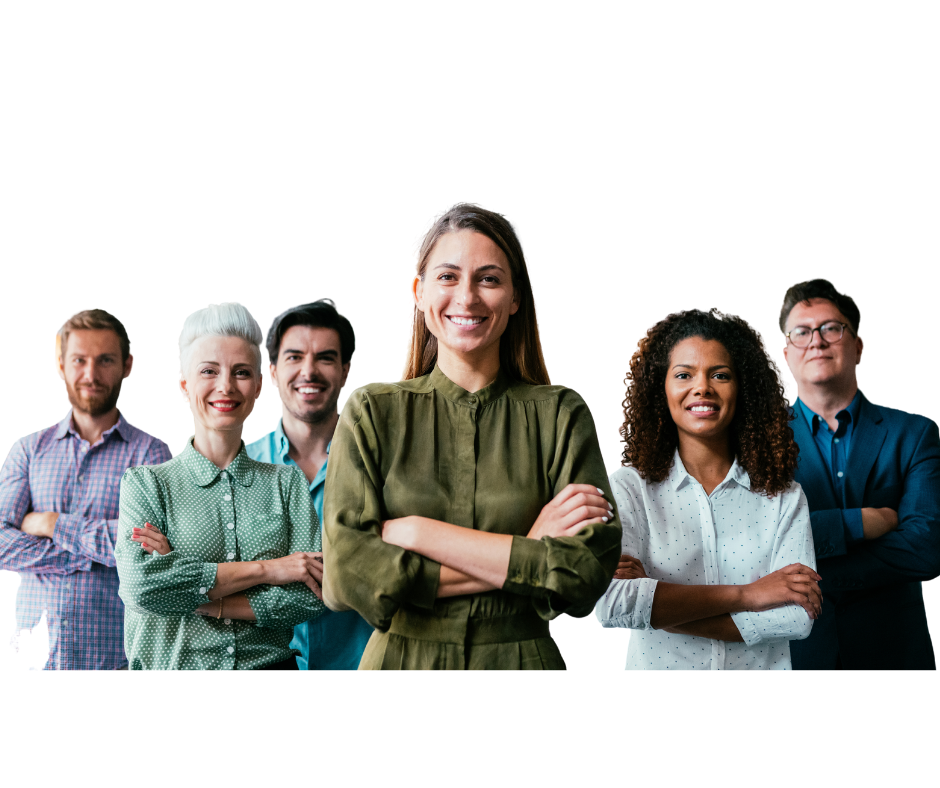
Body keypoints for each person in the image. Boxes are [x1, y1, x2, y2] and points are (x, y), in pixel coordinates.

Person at [322, 203, 621, 670]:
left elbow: (584, 573)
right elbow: (347, 577)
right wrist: (529, 548)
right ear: (419, 293)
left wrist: (419, 534)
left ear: (515, 296)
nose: (467, 297)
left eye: (489, 278)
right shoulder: (370, 413)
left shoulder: (561, 414)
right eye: (447, 277)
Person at [596, 309, 821, 669]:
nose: (702, 386)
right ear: (662, 388)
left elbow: (797, 617)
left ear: (742, 388)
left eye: (720, 374)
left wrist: (655, 604)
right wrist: (750, 595)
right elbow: (613, 604)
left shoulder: (783, 496)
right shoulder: (629, 489)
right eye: (684, 374)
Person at [115, 302, 326, 669]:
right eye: (209, 371)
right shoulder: (146, 486)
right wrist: (271, 569)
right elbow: (142, 588)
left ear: (259, 385)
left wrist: (195, 593)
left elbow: (312, 596)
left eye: (241, 372)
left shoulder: (286, 482)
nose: (225, 386)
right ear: (185, 383)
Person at [780, 279, 940, 669]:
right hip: (794, 658)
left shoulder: (915, 434)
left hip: (895, 653)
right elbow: (753, 540)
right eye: (802, 332)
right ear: (787, 353)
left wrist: (803, 572)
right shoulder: (758, 442)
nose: (816, 341)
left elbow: (927, 548)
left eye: (831, 328)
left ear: (857, 346)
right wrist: (859, 523)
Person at [0, 309, 172, 670]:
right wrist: (92, 557)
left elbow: (146, 552)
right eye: (79, 360)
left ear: (127, 365)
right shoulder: (28, 451)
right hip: (33, 664)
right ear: (61, 364)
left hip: (115, 664)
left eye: (105, 360)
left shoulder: (150, 455)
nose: (90, 375)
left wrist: (51, 524)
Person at [247, 300, 373, 670]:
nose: (309, 371)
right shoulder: (241, 467)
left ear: (345, 370)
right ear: (271, 370)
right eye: (294, 357)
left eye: (325, 358)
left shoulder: (377, 466)